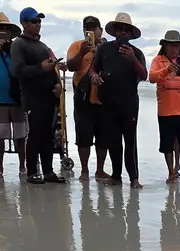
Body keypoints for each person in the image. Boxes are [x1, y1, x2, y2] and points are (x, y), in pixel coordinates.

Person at [90, 12, 147, 188]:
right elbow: (93, 69)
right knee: (113, 141)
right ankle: (116, 176)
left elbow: (144, 75)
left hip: (129, 103)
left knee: (130, 141)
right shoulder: (103, 49)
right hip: (108, 102)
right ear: (115, 31)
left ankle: (134, 178)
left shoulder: (137, 53)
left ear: (131, 34)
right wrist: (94, 77)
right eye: (120, 29)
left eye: (126, 30)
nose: (123, 32)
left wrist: (133, 59)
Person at [10, 7, 66, 184]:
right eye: (34, 21)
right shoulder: (18, 44)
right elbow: (18, 71)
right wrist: (40, 68)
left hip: (49, 97)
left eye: (39, 21)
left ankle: (48, 171)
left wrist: (58, 84)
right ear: (24, 23)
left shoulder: (43, 46)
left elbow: (51, 70)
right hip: (32, 97)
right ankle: (32, 171)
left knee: (48, 135)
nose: (38, 24)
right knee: (35, 134)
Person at [0, 12, 27, 177]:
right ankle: (0, 167)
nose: (3, 31)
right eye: (0, 29)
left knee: (21, 135)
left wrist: (9, 49)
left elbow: (22, 67)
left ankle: (22, 167)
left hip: (18, 99)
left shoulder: (17, 47)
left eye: (6, 29)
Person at [149, 30, 180, 184]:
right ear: (165, 46)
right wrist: (167, 69)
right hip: (165, 111)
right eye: (171, 45)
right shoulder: (158, 60)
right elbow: (152, 78)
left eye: (177, 46)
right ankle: (171, 173)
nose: (175, 49)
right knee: (167, 145)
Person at [66, 15, 108, 181]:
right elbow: (70, 66)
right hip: (82, 96)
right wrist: (82, 53)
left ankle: (100, 170)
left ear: (100, 30)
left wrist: (102, 50)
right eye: (87, 28)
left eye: (93, 28)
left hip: (102, 97)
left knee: (103, 136)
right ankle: (84, 170)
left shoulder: (107, 47)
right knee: (83, 136)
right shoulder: (77, 45)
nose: (90, 31)